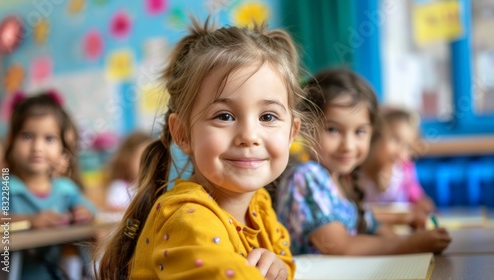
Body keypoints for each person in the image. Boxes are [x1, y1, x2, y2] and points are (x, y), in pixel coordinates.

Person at [96, 19, 313, 280]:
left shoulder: (260, 205)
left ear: (292, 133)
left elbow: (286, 265)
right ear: (183, 134)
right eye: (224, 116)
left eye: (267, 117)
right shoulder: (188, 218)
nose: (249, 136)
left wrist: (276, 264)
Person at [275, 69, 451, 256]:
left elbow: (372, 225)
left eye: (359, 132)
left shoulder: (342, 180)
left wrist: (413, 232)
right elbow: (339, 247)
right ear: (304, 127)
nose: (348, 146)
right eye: (333, 129)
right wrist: (411, 244)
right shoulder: (306, 177)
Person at [0, 91, 96, 280]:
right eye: (27, 136)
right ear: (11, 140)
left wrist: (82, 211)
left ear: (62, 147)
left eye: (49, 138)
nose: (37, 148)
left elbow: (89, 209)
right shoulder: (6, 186)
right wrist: (30, 221)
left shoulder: (64, 189)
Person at [360, 106, 435, 227]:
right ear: (376, 136)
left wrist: (423, 204)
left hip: (399, 232)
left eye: (408, 147)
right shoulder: (360, 171)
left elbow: (417, 197)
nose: (401, 151)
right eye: (396, 140)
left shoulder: (405, 170)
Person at [104, 131, 152, 212]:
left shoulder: (153, 188)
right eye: (143, 159)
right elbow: (114, 211)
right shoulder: (119, 188)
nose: (148, 165)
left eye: (151, 159)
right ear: (126, 160)